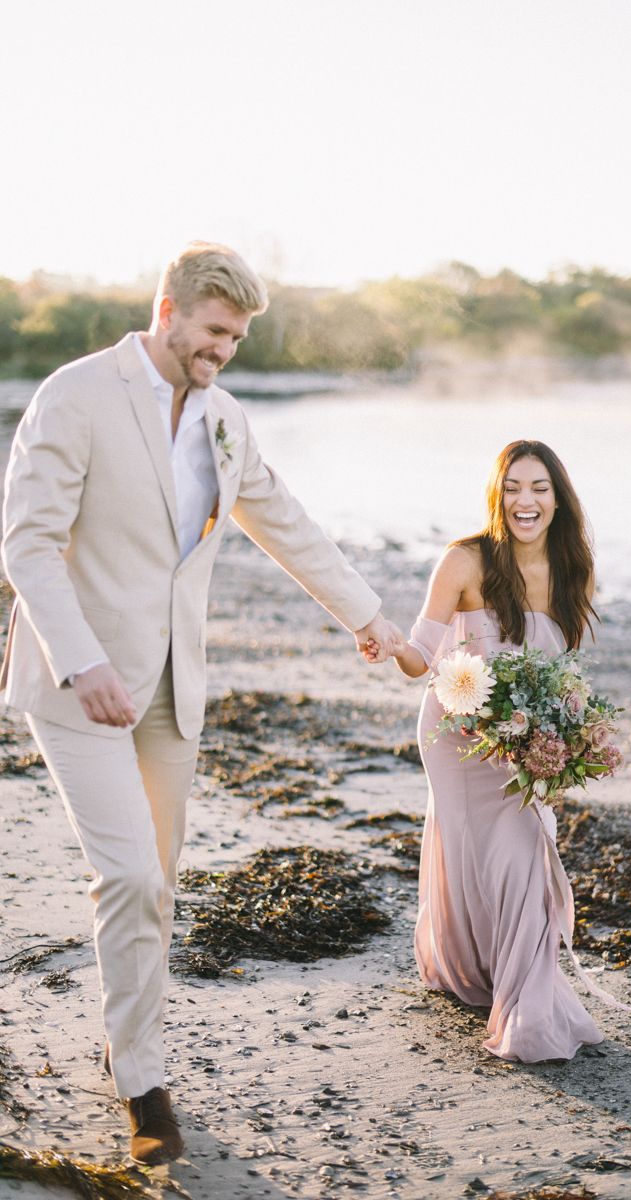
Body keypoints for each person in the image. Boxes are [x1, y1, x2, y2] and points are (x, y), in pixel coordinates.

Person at [1, 242, 395, 1164]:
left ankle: (131, 1048)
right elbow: (25, 545)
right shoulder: (77, 394)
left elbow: (282, 520)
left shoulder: (224, 419)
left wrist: (371, 620)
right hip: (80, 689)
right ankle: (142, 1082)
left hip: (176, 691)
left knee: (158, 885)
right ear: (168, 308)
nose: (225, 349)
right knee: (130, 876)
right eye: (215, 331)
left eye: (239, 337)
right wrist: (83, 660)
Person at [388, 439, 606, 1062]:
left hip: (523, 743)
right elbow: (421, 656)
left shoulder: (573, 570)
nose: (525, 501)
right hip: (459, 734)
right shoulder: (466, 561)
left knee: (520, 858)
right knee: (474, 856)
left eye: (538, 488)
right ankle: (483, 973)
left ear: (558, 500)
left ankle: (524, 994)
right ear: (497, 496)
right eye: (512, 488)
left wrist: (565, 740)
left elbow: (562, 672)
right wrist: (388, 645)